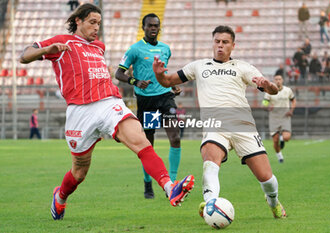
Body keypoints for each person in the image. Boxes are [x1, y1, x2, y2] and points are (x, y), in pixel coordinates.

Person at [19, 3, 194, 221]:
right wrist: (46, 50)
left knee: (140, 140)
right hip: (80, 112)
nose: (96, 28)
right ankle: (61, 197)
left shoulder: (99, 46)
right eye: (92, 22)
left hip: (109, 103)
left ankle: (170, 187)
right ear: (78, 21)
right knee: (79, 172)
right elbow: (24, 56)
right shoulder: (63, 42)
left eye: (99, 24)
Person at [153, 25, 287, 219]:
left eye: (225, 42)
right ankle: (210, 205)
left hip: (243, 127)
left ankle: (273, 201)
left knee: (267, 179)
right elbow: (168, 81)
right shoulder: (198, 66)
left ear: (233, 45)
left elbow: (272, 90)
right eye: (217, 41)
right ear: (212, 43)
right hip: (215, 126)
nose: (220, 46)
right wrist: (158, 74)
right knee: (209, 162)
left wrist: (268, 86)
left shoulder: (242, 67)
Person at [115, 13, 182, 199]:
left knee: (175, 137)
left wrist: (173, 85)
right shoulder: (135, 50)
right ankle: (148, 181)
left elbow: (164, 73)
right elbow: (118, 73)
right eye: (150, 25)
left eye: (156, 26)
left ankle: (174, 183)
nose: (153, 28)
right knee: (148, 145)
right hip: (147, 102)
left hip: (165, 98)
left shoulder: (166, 49)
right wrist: (135, 81)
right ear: (143, 27)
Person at [262, 75, 296, 163]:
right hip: (274, 117)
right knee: (275, 140)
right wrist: (267, 107)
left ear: (282, 80)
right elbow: (264, 102)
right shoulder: (269, 91)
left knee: (287, 137)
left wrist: (291, 110)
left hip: (285, 116)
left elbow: (293, 100)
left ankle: (282, 138)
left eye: (279, 79)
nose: (278, 81)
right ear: (274, 81)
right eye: (276, 79)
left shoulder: (288, 90)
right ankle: (279, 156)